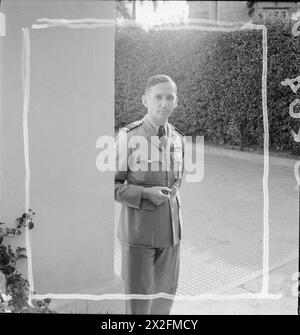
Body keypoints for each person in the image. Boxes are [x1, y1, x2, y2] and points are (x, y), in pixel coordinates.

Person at [115, 74, 184, 314]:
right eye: (158, 97)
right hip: (138, 234)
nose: (164, 103)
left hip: (171, 234)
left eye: (169, 97)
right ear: (145, 100)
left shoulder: (177, 138)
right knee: (138, 306)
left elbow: (177, 180)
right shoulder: (129, 137)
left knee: (164, 302)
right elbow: (110, 186)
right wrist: (145, 193)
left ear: (176, 101)